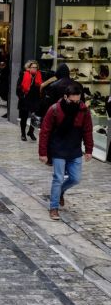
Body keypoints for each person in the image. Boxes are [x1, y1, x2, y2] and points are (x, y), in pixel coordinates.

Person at [39, 83, 93, 221]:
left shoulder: (83, 110)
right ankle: (54, 207)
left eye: (77, 100)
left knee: (75, 178)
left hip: (75, 149)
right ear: (65, 97)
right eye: (72, 100)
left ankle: (60, 191)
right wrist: (43, 152)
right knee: (58, 178)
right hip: (58, 148)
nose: (75, 103)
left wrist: (89, 149)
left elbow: (87, 130)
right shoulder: (55, 109)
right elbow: (45, 131)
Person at [16, 60, 42, 141]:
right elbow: (18, 88)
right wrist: (22, 97)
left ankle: (31, 132)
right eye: (33, 67)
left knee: (35, 117)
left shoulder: (39, 75)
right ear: (29, 68)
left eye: (36, 67)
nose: (34, 69)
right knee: (24, 118)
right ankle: (23, 134)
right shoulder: (24, 74)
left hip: (35, 99)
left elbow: (41, 87)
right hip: (25, 98)